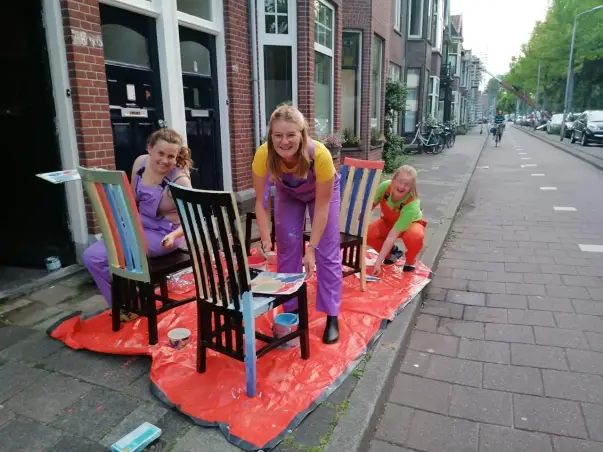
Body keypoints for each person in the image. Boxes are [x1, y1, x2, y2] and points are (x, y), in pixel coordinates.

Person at [252, 105, 341, 344]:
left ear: (302, 134)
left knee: (326, 250)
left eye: (291, 134)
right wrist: (265, 236)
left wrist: (311, 248)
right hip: (288, 193)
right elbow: (260, 203)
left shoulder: (320, 156)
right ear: (271, 136)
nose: (284, 141)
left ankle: (332, 315)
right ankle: (290, 310)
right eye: (278, 135)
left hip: (322, 195)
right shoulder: (263, 155)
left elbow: (322, 208)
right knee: (287, 246)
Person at [83, 128, 193, 320]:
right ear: (149, 148)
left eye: (171, 156)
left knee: (119, 255)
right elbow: (132, 198)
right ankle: (125, 302)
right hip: (138, 225)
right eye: (160, 153)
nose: (165, 160)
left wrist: (174, 236)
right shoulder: (140, 163)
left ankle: (132, 306)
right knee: (91, 256)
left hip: (163, 235)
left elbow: (192, 221)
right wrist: (105, 177)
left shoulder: (180, 181)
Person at [368, 165, 427, 276]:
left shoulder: (412, 204)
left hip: (410, 225)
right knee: (368, 233)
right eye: (400, 181)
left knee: (415, 236)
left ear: (411, 187)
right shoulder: (385, 187)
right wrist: (363, 213)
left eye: (407, 184)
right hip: (389, 221)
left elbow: (392, 236)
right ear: (393, 179)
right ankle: (392, 253)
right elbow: (372, 203)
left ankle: (410, 261)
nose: (401, 186)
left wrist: (378, 262)